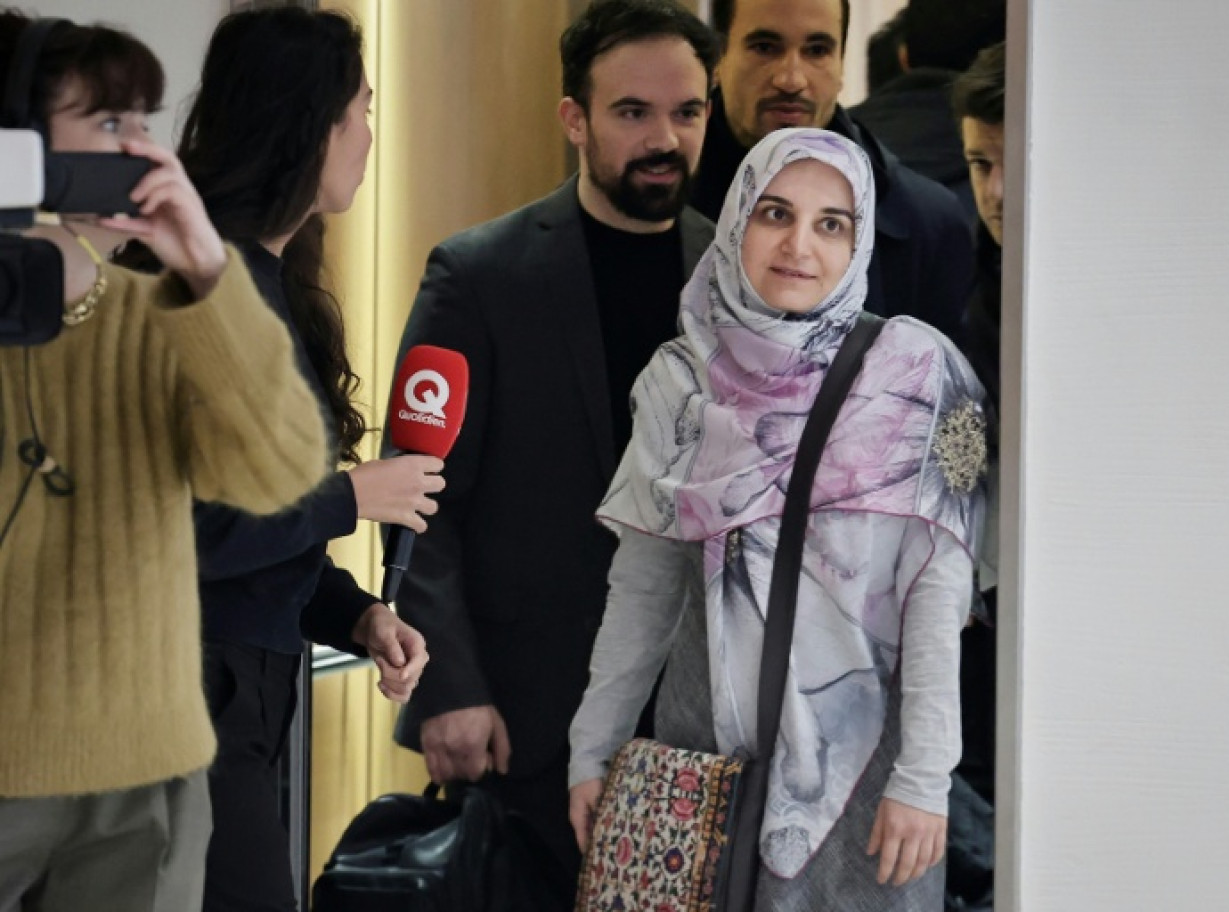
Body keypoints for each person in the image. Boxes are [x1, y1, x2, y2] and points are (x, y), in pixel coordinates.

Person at [567, 127, 987, 912]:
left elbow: (937, 594)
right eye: (775, 213)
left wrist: (925, 778)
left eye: (832, 224)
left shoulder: (916, 375)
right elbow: (644, 588)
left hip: (869, 779)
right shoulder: (680, 380)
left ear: (860, 241)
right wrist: (594, 749)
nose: (800, 245)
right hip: (701, 771)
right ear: (736, 221)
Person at [0, 11, 330, 910]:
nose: (145, 150)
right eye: (110, 122)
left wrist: (208, 273)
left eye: (145, 121)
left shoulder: (161, 320)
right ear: (18, 146)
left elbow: (279, 472)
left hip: (145, 775)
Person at [387, 0, 718, 898]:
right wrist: (449, 683)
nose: (664, 138)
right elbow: (418, 494)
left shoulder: (737, 278)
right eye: (632, 112)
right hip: (523, 718)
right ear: (574, 118)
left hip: (696, 726)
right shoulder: (477, 275)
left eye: (687, 112)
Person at [163, 9, 436, 910]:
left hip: (246, 695)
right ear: (309, 124)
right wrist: (351, 496)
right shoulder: (201, 294)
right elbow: (192, 527)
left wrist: (357, 616)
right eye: (362, 110)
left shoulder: (265, 282)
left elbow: (257, 540)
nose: (369, 135)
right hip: (186, 694)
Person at [692, 0, 974, 342]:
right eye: (765, 48)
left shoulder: (925, 224)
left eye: (817, 51)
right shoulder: (659, 202)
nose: (791, 80)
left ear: (841, 65)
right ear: (719, 59)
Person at [943, 39, 1007, 912]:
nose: (993, 190)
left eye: (1008, 161)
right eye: (978, 164)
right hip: (983, 641)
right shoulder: (977, 297)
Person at [850, 0, 1005, 228]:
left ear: (902, 56)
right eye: (980, 164)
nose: (995, 191)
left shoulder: (824, 142)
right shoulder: (1034, 167)